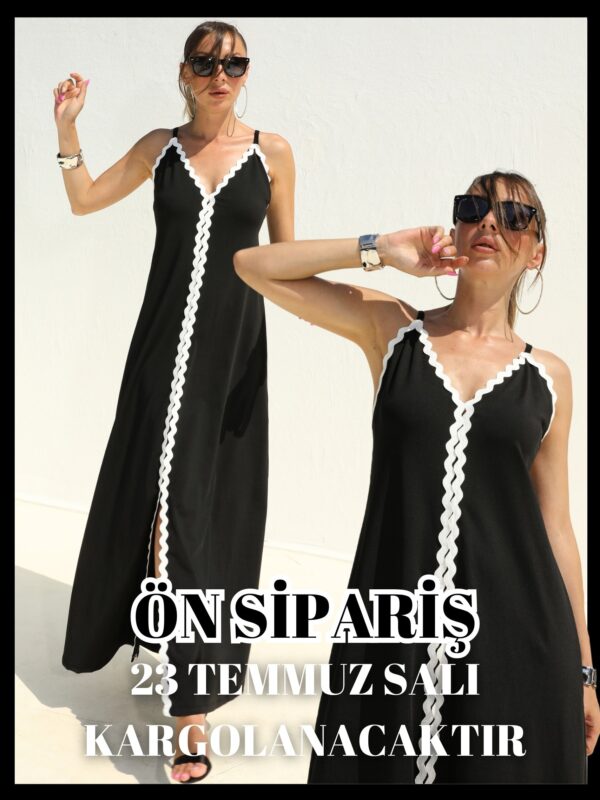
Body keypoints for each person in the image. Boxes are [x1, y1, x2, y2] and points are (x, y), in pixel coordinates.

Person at [233, 171, 598, 783]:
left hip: (516, 635)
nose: (489, 222)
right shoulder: (394, 330)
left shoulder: (550, 378)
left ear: (536, 253)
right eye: (474, 208)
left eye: (513, 217)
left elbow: (555, 526)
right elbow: (253, 266)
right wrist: (381, 249)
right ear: (455, 227)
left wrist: (583, 668)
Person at [55, 20, 295, 783]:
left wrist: (370, 277)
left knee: (202, 509)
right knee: (166, 505)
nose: (222, 74)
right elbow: (85, 200)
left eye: (236, 62)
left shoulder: (272, 153)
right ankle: (188, 707)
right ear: (186, 72)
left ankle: (180, 664)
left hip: (232, 361)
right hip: (161, 356)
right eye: (207, 61)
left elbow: (285, 260)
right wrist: (68, 131)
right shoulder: (162, 148)